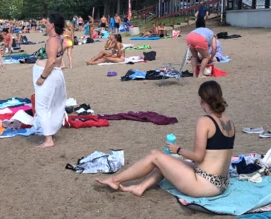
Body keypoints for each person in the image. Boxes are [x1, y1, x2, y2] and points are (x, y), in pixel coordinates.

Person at [96, 81, 234, 197]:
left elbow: (198, 156)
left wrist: (178, 149)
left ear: (201, 99)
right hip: (222, 182)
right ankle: (140, 187)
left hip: (205, 184)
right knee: (167, 162)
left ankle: (115, 179)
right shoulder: (230, 122)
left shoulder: (205, 121)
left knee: (155, 155)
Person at [33, 12, 67, 148]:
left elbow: (52, 61)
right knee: (52, 104)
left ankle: (48, 139)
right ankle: (50, 134)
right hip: (54, 74)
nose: (45, 25)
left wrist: (42, 77)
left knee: (42, 106)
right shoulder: (59, 38)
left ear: (52, 24)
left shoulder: (53, 40)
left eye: (47, 23)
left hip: (49, 75)